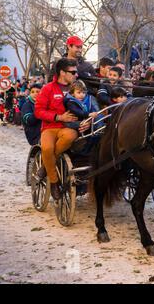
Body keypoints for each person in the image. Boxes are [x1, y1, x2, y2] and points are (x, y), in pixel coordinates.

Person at [35, 58, 88, 201]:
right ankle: (54, 182)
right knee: (46, 148)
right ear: (62, 72)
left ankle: (47, 165)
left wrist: (87, 122)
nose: (76, 74)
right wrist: (58, 117)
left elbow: (87, 108)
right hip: (50, 127)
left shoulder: (78, 87)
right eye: (73, 72)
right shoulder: (48, 88)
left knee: (70, 136)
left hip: (69, 128)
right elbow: (38, 111)